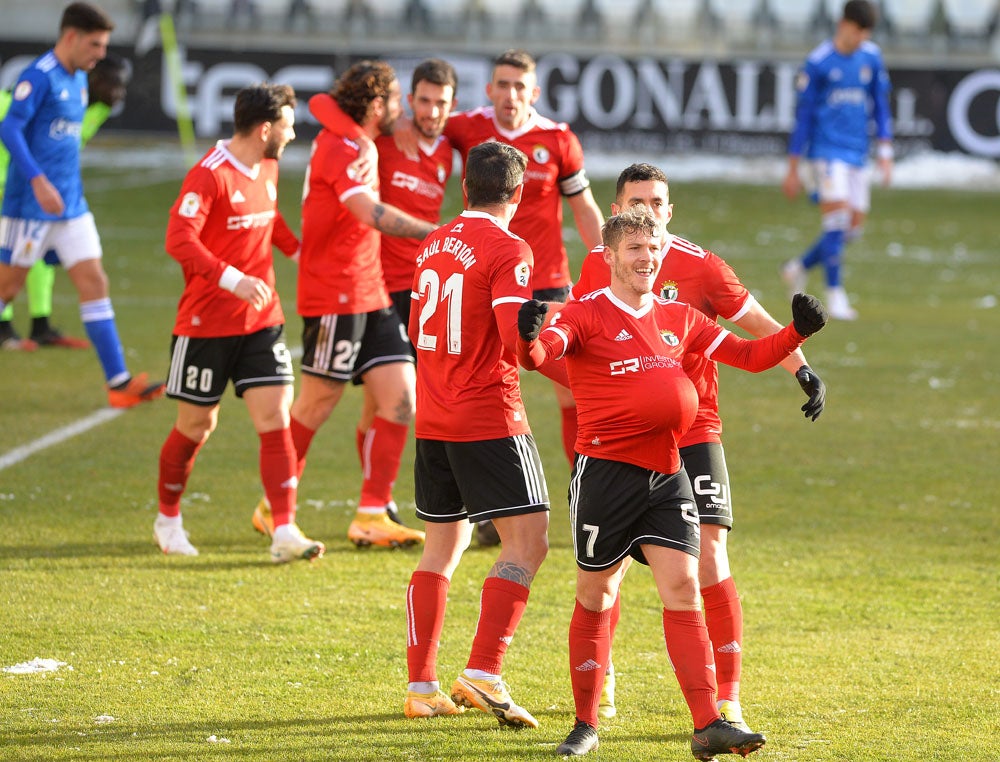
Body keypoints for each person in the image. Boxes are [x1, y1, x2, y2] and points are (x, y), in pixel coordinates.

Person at [516, 206, 828, 759]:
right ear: (609, 256)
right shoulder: (585, 313)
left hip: (668, 475)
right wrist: (529, 343)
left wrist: (796, 334)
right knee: (597, 593)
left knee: (684, 589)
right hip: (605, 477)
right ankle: (585, 723)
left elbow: (748, 356)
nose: (646, 258)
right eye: (634, 249)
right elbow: (546, 354)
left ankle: (708, 723)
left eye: (653, 247)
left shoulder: (679, 316)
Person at [309, 49, 605, 484]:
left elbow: (584, 209)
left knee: (574, 391)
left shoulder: (559, 139)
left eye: (520, 86)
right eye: (502, 85)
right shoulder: (466, 127)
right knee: (473, 388)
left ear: (534, 92)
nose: (510, 94)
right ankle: (449, 503)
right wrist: (405, 122)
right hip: (481, 283)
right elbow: (334, 108)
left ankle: (589, 490)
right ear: (488, 91)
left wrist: (603, 268)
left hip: (545, 282)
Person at [402, 140, 568, 725]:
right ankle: (482, 671)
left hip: (434, 419)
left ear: (464, 188)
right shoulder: (509, 247)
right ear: (519, 195)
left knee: (441, 548)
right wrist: (543, 337)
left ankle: (421, 685)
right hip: (489, 419)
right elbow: (514, 347)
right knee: (530, 543)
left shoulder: (432, 244)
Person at [256, 58, 457, 535]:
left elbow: (329, 105)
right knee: (316, 403)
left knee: (401, 398)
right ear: (379, 104)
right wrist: (436, 233)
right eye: (402, 101)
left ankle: (372, 514)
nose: (416, 111)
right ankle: (272, 505)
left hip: (371, 291)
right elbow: (368, 211)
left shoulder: (366, 139)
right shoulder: (345, 145)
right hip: (335, 292)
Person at [155, 82, 323, 564]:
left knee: (274, 417)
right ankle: (167, 520)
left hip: (261, 320)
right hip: (205, 321)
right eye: (289, 126)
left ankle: (285, 529)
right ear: (265, 128)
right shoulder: (208, 176)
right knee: (196, 424)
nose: (293, 135)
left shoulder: (267, 165)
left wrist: (302, 254)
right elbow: (179, 239)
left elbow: (270, 222)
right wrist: (233, 279)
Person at [0, 2, 164, 408]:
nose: (100, 55)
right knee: (8, 286)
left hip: (71, 207)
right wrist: (37, 181)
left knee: (95, 282)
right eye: (95, 44)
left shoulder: (79, 80)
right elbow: (10, 128)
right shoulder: (38, 77)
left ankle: (119, 382)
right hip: (29, 207)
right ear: (70, 36)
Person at [0, 53, 129, 351]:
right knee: (9, 257)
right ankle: (4, 327)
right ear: (93, 79)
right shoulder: (57, 91)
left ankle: (40, 324)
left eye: (123, 87)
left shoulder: (97, 108)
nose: (118, 94)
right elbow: (12, 122)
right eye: (113, 85)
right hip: (14, 180)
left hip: (39, 184)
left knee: (39, 254)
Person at [780, 0, 892, 321]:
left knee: (852, 228)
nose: (861, 39)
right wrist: (793, 167)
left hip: (857, 153)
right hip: (827, 154)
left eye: (865, 34)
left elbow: (881, 106)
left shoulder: (871, 56)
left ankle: (797, 267)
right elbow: (802, 119)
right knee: (836, 222)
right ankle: (835, 296)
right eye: (858, 32)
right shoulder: (818, 63)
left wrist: (884, 151)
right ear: (844, 24)